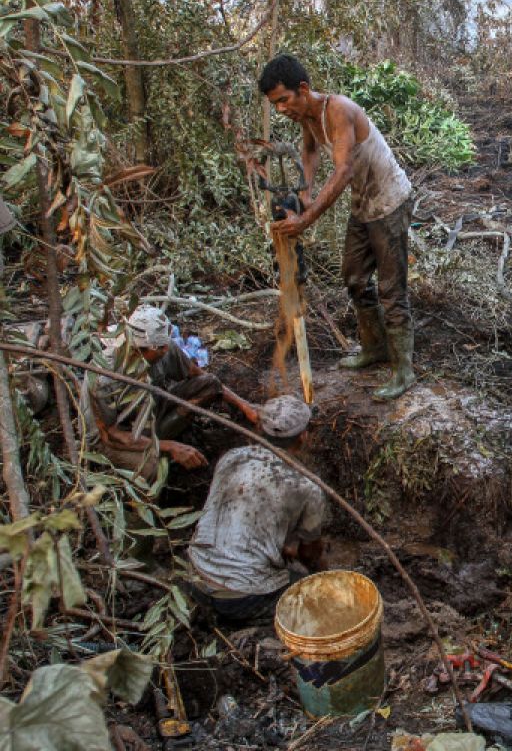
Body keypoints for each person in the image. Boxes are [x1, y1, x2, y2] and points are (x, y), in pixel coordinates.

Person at [259, 53, 417, 400]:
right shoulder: (308, 116)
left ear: (303, 89)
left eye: (284, 100)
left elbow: (343, 170)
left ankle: (403, 370)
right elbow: (310, 151)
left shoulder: (337, 110)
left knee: (392, 290)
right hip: (364, 203)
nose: (282, 109)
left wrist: (306, 218)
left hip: (389, 200)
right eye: (276, 104)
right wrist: (304, 194)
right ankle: (374, 347)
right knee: (354, 277)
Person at [187, 394, 327, 623]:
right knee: (318, 599)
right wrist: (323, 572)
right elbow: (309, 554)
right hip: (242, 597)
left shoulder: (231, 458)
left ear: (261, 429)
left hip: (195, 575)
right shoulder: (306, 486)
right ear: (303, 437)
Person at [87, 305, 257, 479]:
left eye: (166, 344)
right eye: (160, 347)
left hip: (153, 414)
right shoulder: (103, 378)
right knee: (152, 469)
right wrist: (169, 446)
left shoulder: (165, 347)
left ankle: (172, 439)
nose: (166, 350)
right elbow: (110, 436)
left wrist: (245, 406)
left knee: (209, 385)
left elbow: (203, 377)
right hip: (118, 440)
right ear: (139, 350)